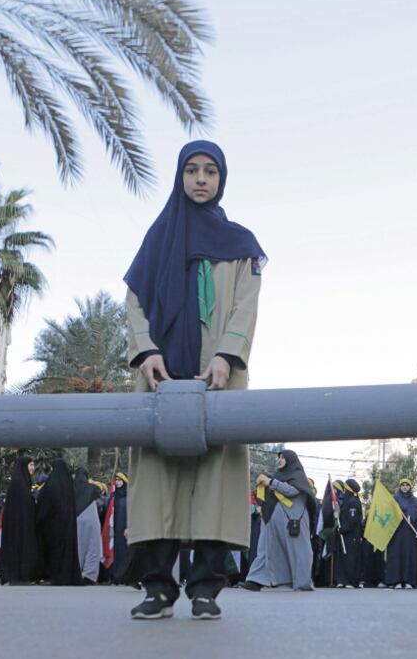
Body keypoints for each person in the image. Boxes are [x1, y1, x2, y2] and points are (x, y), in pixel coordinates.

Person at [123, 140, 265, 621]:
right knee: (157, 484)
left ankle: (206, 588)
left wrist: (227, 355)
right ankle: (158, 588)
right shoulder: (158, 238)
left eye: (210, 171)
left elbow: (246, 305)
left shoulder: (241, 245)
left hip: (217, 377)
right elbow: (135, 301)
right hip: (160, 376)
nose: (201, 179)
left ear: (222, 179)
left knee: (214, 484)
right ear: (180, 178)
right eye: (191, 170)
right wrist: (146, 350)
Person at [241, 450, 315, 592]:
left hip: (293, 521)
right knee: (265, 549)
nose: (280, 460)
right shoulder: (278, 475)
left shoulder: (297, 475)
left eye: (283, 458)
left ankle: (302, 582)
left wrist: (271, 482)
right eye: (279, 458)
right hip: (272, 519)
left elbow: (293, 491)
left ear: (290, 460)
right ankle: (255, 580)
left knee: (298, 551)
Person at [35, 459, 83, 586]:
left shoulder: (51, 484)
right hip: (68, 526)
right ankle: (66, 576)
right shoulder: (69, 485)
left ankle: (55, 576)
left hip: (52, 527)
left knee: (54, 552)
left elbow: (44, 505)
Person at [0, 456, 39, 585]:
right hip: (19, 526)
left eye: (33, 465)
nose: (32, 468)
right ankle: (16, 575)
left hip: (21, 525)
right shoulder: (19, 483)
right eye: (30, 465)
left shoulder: (23, 482)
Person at [384, 478, 417, 589]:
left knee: (409, 556)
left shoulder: (416, 501)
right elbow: (387, 515)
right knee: (396, 556)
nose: (405, 487)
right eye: (403, 485)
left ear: (410, 487)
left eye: (407, 485)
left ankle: (408, 581)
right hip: (396, 532)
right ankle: (396, 581)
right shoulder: (394, 500)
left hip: (411, 533)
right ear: (400, 487)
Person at [73, 466, 104, 584]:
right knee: (93, 546)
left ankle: (77, 572)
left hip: (76, 519)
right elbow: (100, 503)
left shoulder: (71, 488)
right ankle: (89, 575)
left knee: (78, 546)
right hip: (91, 519)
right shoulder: (94, 488)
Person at [335, 478, 363, 588]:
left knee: (350, 558)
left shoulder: (353, 502)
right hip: (344, 535)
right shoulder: (347, 501)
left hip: (351, 535)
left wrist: (343, 529)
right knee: (342, 558)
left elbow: (353, 520)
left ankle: (350, 581)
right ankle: (342, 580)